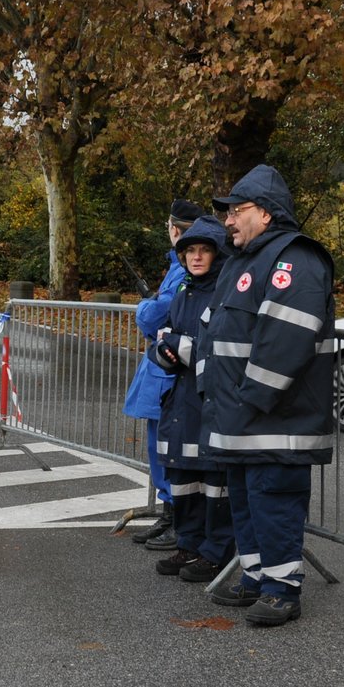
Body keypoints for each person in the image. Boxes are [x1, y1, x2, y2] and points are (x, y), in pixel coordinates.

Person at [198, 165, 335, 628]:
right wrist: (210, 388)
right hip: (241, 416)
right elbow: (212, 332)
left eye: (238, 211)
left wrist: (250, 398)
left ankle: (282, 591)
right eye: (228, 212)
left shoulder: (295, 260)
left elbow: (287, 339)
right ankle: (257, 578)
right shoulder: (240, 261)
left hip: (276, 419)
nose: (229, 220)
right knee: (246, 500)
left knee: (274, 500)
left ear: (268, 214)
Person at [148, 215, 234, 584]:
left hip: (211, 402)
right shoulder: (184, 292)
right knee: (183, 477)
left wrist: (176, 346)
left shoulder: (227, 295)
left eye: (204, 250)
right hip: (181, 399)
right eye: (190, 251)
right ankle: (189, 543)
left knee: (214, 481)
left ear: (218, 254)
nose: (196, 257)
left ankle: (215, 552)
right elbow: (163, 339)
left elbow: (218, 351)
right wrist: (160, 352)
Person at [125, 200, 202, 550]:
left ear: (174, 228)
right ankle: (170, 514)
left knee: (168, 451)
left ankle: (177, 518)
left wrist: (145, 307)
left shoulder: (183, 268)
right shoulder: (179, 266)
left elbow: (154, 317)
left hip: (169, 375)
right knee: (161, 450)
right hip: (164, 372)